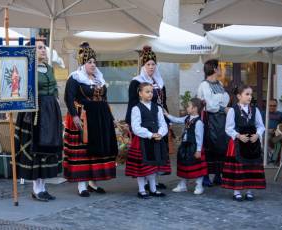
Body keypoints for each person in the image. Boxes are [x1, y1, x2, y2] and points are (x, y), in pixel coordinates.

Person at [63, 42, 118, 197]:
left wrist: (111, 118)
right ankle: (82, 185)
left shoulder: (99, 78)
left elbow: (105, 99)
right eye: (89, 62)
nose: (93, 64)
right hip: (84, 118)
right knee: (84, 152)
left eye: (94, 62)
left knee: (97, 151)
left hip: (100, 118)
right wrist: (74, 116)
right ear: (83, 63)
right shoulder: (75, 78)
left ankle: (94, 183)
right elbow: (68, 98)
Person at [15, 40, 63, 202]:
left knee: (49, 148)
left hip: (50, 110)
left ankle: (43, 187)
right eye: (39, 48)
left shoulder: (49, 68)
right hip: (35, 112)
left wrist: (55, 102)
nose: (43, 50)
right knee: (37, 149)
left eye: (44, 47)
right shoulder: (27, 69)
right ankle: (36, 189)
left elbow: (55, 88)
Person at [125, 45, 171, 190]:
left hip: (158, 120)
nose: (151, 67)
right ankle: (144, 182)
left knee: (157, 150)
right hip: (143, 121)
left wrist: (167, 120)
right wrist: (129, 123)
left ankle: (154, 181)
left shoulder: (159, 81)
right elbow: (132, 103)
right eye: (148, 64)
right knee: (145, 152)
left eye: (153, 64)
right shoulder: (136, 82)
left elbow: (164, 102)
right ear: (143, 66)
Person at [222, 85, 265, 201]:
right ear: (239, 96)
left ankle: (249, 190)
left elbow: (260, 126)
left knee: (251, 166)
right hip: (238, 142)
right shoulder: (232, 110)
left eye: (251, 94)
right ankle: (237, 191)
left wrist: (258, 134)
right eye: (247, 94)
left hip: (252, 142)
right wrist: (238, 136)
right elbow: (228, 128)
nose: (250, 97)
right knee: (238, 167)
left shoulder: (255, 110)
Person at [125, 82, 168, 199]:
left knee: (153, 166)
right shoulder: (136, 108)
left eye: (151, 92)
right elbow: (135, 127)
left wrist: (160, 133)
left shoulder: (157, 108)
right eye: (147, 92)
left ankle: (153, 189)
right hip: (142, 141)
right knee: (142, 167)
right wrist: (150, 134)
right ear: (140, 93)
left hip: (156, 140)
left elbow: (162, 123)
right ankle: (141, 190)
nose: (150, 94)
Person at [197, 59, 230, 187]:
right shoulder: (204, 85)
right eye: (219, 67)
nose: (221, 70)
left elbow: (225, 99)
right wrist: (222, 108)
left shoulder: (220, 83)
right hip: (209, 119)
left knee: (221, 146)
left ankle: (218, 175)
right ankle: (205, 175)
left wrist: (223, 107)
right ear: (214, 69)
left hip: (221, 119)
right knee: (209, 145)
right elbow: (209, 104)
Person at [165, 98, 207, 195]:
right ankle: (183, 184)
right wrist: (167, 115)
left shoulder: (199, 122)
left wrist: (198, 150)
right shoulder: (187, 118)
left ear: (195, 108)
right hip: (185, 146)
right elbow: (177, 120)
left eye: (188, 106)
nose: (186, 108)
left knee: (197, 167)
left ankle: (199, 186)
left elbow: (199, 137)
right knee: (184, 165)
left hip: (194, 147)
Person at [262, 99, 282, 163]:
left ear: (277, 106)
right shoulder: (263, 113)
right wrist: (267, 130)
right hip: (267, 133)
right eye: (270, 105)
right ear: (267, 106)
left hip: (277, 134)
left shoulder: (281, 114)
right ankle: (268, 158)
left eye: (274, 106)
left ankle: (276, 158)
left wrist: (278, 130)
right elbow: (259, 125)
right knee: (266, 137)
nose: (272, 107)